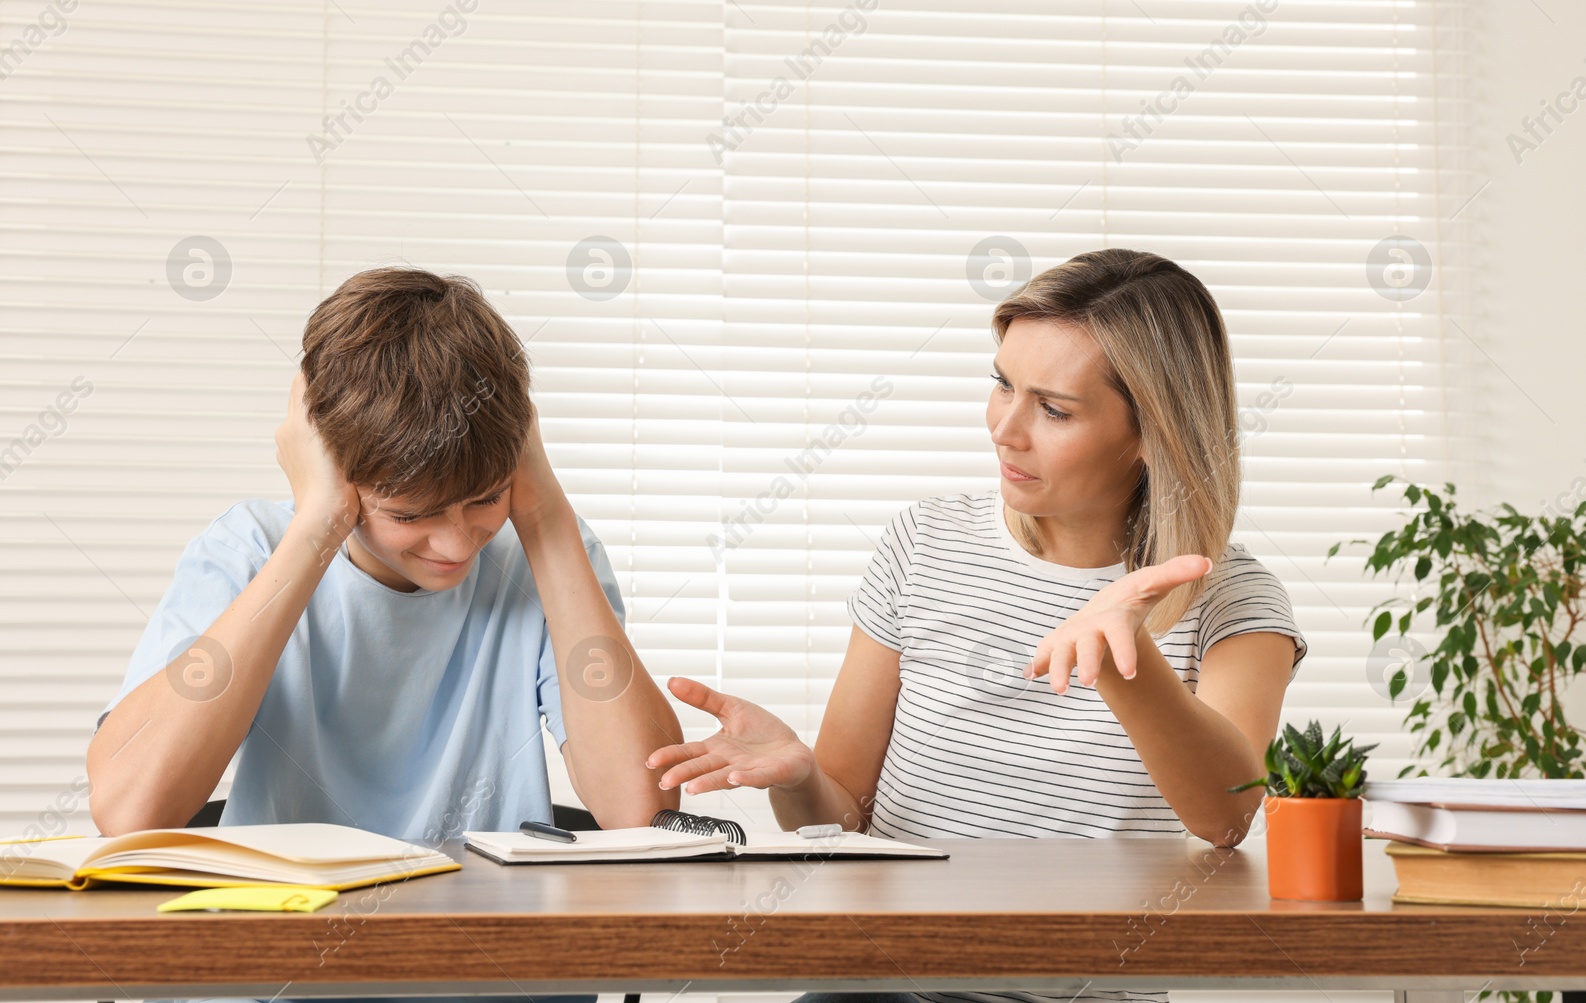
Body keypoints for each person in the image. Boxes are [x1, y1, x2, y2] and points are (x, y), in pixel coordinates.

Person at [646, 248, 1308, 1003]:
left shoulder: (1233, 599)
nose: (1005, 428)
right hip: (886, 987)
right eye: (1002, 385)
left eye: (1053, 409)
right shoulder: (923, 543)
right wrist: (800, 779)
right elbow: (844, 821)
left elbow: (1226, 816)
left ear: (1152, 433)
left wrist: (1122, 650)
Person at [88, 266, 681, 850]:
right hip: (281, 929)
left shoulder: (547, 551)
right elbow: (130, 810)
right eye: (408, 514)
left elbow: (641, 810)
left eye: (485, 498)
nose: (455, 546)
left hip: (490, 928)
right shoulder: (248, 549)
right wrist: (316, 525)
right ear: (329, 468)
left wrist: (544, 513)